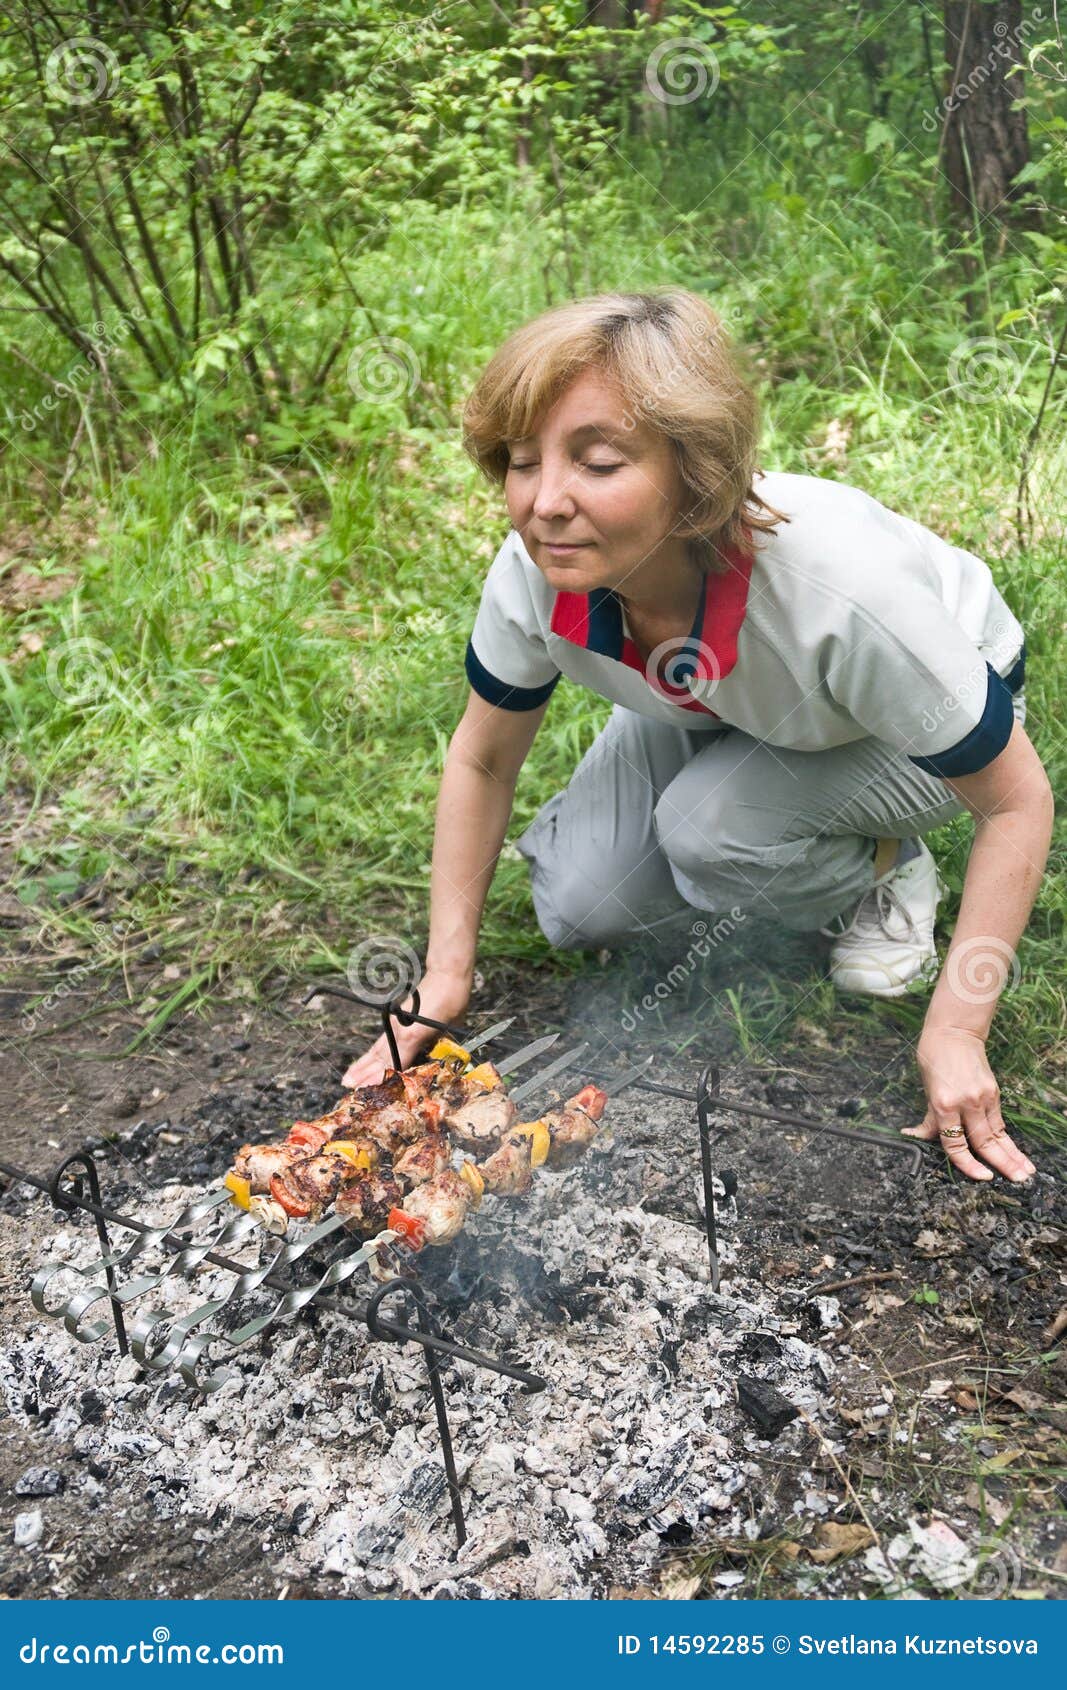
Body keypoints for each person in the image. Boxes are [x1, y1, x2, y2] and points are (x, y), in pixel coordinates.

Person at [343, 289, 1050, 1185]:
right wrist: (443, 976)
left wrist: (955, 1031)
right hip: (718, 704)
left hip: (909, 728)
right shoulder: (541, 570)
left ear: (695, 471)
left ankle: (885, 867)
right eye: (523, 461)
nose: (545, 502)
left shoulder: (838, 591)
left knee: (710, 834)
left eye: (596, 462)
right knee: (578, 902)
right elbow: (481, 756)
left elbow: (1018, 799)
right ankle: (771, 817)